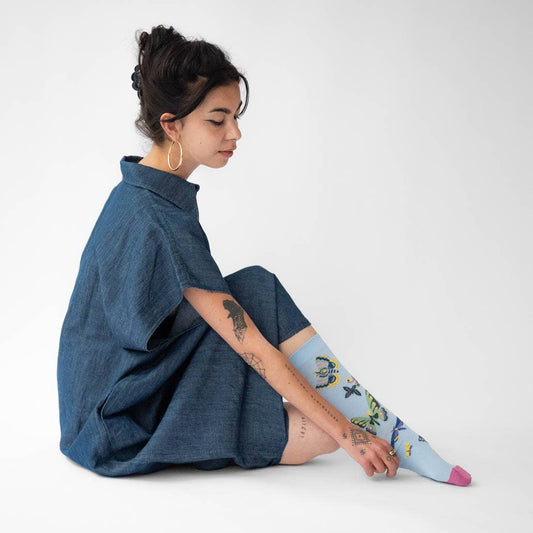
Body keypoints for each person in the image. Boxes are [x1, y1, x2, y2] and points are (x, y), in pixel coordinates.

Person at [56, 24, 471, 486]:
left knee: (256, 292)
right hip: (119, 423)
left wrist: (342, 426)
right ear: (172, 125)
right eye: (217, 120)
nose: (235, 132)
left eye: (235, 116)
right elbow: (247, 342)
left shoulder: (148, 191)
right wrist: (347, 432)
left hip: (120, 396)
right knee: (320, 421)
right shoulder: (156, 216)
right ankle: (389, 431)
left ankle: (384, 427)